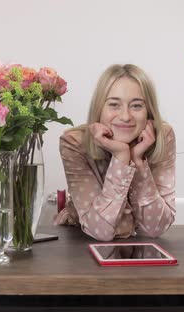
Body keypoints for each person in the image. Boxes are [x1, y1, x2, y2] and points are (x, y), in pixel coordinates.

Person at [54, 64, 176, 241]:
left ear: (148, 112)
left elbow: (155, 228)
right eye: (114, 105)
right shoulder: (74, 143)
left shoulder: (163, 136)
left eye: (136, 106)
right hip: (80, 245)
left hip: (139, 252)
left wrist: (138, 161)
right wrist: (121, 157)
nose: (125, 116)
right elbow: (100, 231)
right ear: (99, 109)